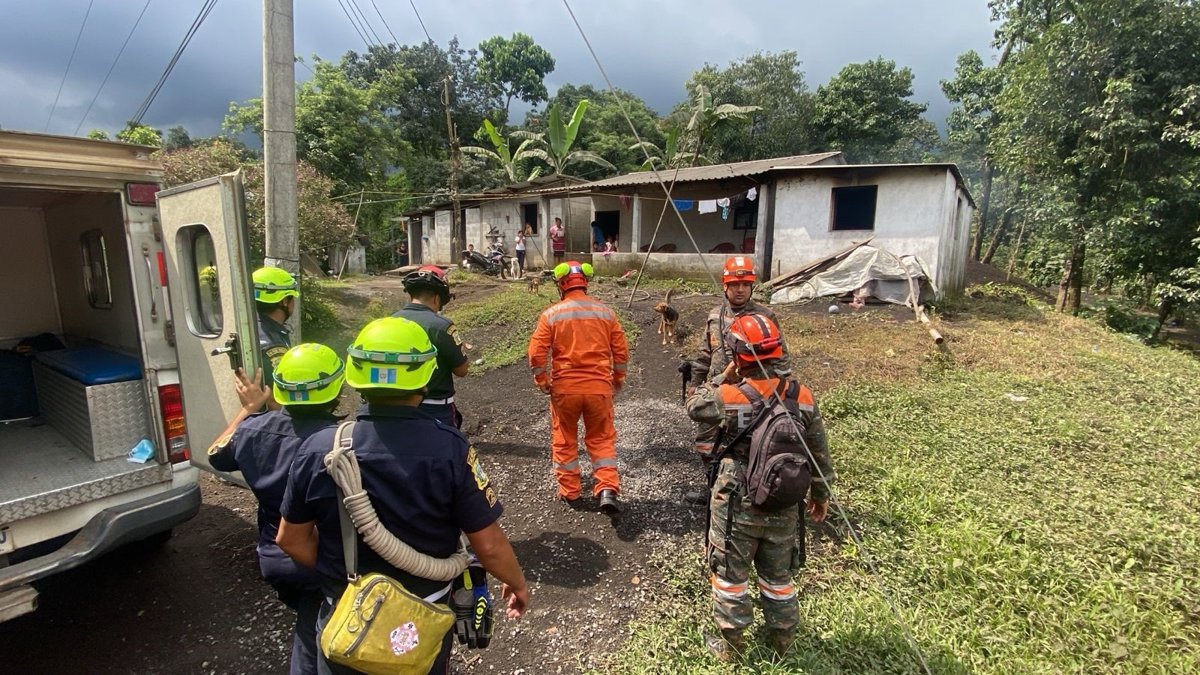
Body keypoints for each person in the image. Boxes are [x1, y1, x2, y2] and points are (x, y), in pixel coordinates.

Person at [278, 317, 530, 675]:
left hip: (346, 619)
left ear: (355, 374)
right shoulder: (449, 449)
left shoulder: (321, 449)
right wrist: (516, 583)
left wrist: (341, 573)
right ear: (426, 375)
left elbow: (290, 539)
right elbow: (488, 546)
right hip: (420, 618)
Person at [685, 314, 835, 661]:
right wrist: (820, 494)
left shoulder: (730, 396)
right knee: (778, 576)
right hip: (785, 500)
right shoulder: (802, 396)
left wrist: (724, 375)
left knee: (730, 576)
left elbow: (694, 405)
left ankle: (732, 648)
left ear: (738, 355)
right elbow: (818, 453)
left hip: (736, 501)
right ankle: (784, 643)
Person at [207, 344, 346, 675]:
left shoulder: (253, 429)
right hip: (321, 558)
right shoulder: (340, 441)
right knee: (325, 636)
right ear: (337, 389)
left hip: (273, 557)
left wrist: (249, 409)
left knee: (310, 625)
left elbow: (215, 453)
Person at [685, 255, 792, 504]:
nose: (740, 289)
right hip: (720, 390)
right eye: (735, 285)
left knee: (750, 444)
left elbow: (781, 358)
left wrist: (781, 391)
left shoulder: (765, 316)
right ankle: (713, 489)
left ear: (752, 286)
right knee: (707, 443)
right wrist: (695, 384)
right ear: (725, 286)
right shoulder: (715, 315)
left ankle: (753, 491)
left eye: (745, 285)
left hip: (753, 394)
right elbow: (704, 354)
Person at [527, 261, 629, 515]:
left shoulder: (551, 314)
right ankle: (607, 488)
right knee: (602, 438)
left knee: (564, 439)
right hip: (599, 389)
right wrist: (617, 379)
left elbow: (536, 354)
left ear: (562, 284)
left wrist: (542, 381)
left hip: (565, 390)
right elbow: (621, 351)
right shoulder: (606, 313)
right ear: (585, 282)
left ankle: (570, 491)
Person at [393, 266, 469, 428]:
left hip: (394, 405)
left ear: (410, 295)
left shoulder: (389, 322)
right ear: (437, 298)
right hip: (435, 408)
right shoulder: (442, 326)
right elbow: (461, 371)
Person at [253, 266, 299, 399]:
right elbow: (275, 397)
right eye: (292, 298)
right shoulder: (273, 345)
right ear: (284, 301)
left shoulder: (253, 325)